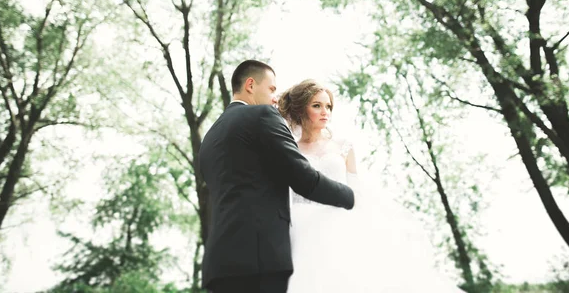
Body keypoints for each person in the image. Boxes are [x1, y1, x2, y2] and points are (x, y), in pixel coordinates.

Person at [278, 79, 465, 292]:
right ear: (302, 108)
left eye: (328, 106)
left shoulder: (343, 146)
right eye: (317, 105)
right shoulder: (289, 148)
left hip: (339, 222)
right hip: (300, 226)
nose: (325, 112)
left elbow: (354, 187)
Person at [198, 61, 355, 293]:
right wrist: (352, 197)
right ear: (250, 85)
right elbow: (304, 179)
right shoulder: (261, 115)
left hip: (219, 265)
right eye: (271, 89)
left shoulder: (209, 140)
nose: (274, 98)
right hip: (261, 261)